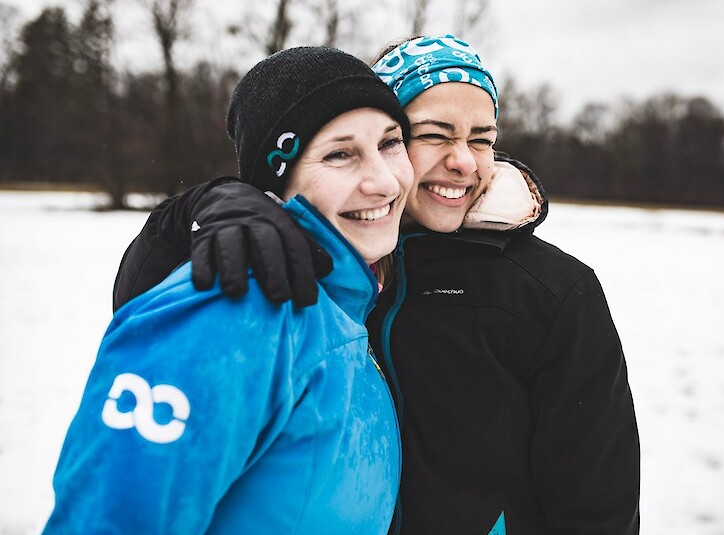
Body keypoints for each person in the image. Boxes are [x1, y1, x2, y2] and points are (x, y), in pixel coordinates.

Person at [112, 35, 641, 534]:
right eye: (434, 134)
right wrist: (190, 213)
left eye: (482, 140)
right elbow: (149, 332)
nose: (462, 161)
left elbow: (597, 508)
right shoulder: (323, 268)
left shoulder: (550, 292)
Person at [44, 46, 415, 534]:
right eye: (340, 154)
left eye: (390, 143)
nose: (385, 181)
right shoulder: (234, 307)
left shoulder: (349, 308)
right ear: (278, 187)